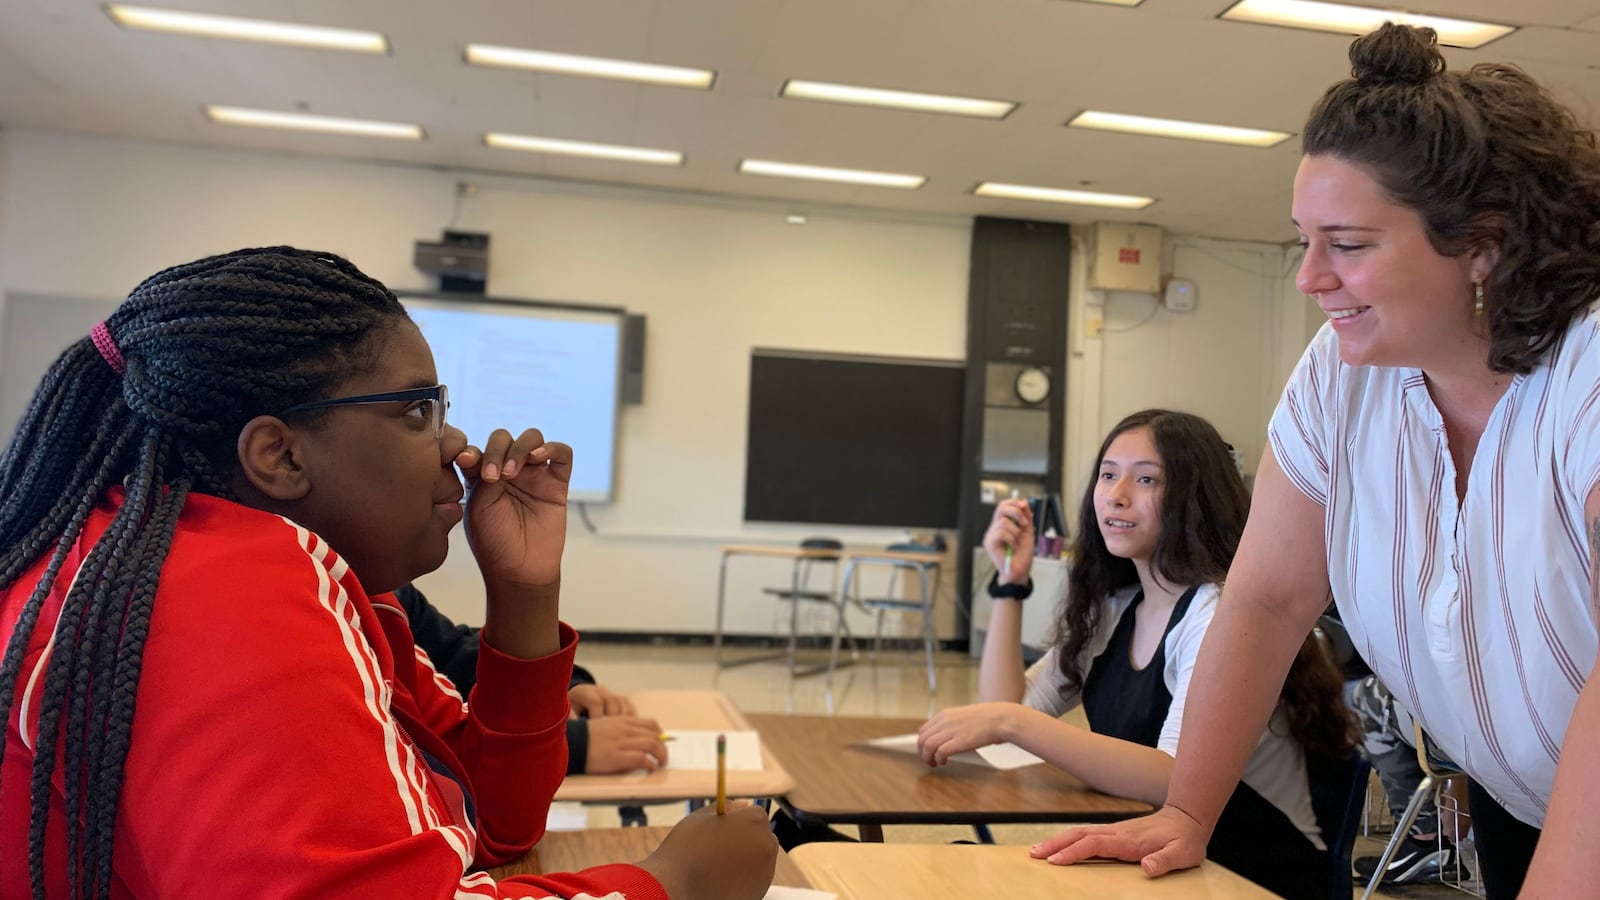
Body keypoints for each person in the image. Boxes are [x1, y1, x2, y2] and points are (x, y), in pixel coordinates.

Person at [0, 247, 777, 898]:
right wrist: (672, 882)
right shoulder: (227, 591)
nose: (457, 443)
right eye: (416, 411)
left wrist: (524, 593)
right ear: (280, 455)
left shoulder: (322, 582)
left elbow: (492, 817)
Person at [1031, 24, 1600, 900]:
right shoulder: (1343, 375)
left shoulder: (1586, 372)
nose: (1310, 277)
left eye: (1349, 243)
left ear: (1483, 242)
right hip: (1527, 798)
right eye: (1304, 239)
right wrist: (1188, 811)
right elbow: (1265, 598)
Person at [917, 409, 1354, 899]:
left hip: (1252, 872)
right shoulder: (1116, 609)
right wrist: (1009, 585)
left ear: (1195, 497)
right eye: (1108, 475)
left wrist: (1010, 723)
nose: (1116, 495)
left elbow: (1173, 778)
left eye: (1146, 479)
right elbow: (1003, 711)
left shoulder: (1217, 613)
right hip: (1157, 863)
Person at [398, 583, 671, 776]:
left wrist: (558, 686)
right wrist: (567, 746)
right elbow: (401, 742)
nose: (459, 498)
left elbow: (451, 654)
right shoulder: (364, 596)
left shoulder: (386, 592)